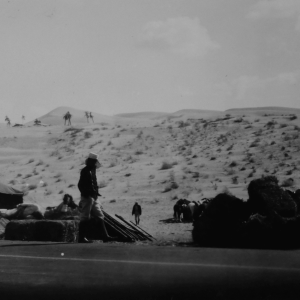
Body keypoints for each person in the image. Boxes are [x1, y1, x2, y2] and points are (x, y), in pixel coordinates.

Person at [77, 152, 116, 243]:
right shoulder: (86, 171)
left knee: (100, 216)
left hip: (93, 197)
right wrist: (87, 194)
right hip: (88, 197)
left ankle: (105, 236)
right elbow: (80, 185)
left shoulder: (92, 170)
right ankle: (81, 238)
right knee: (85, 217)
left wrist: (95, 194)